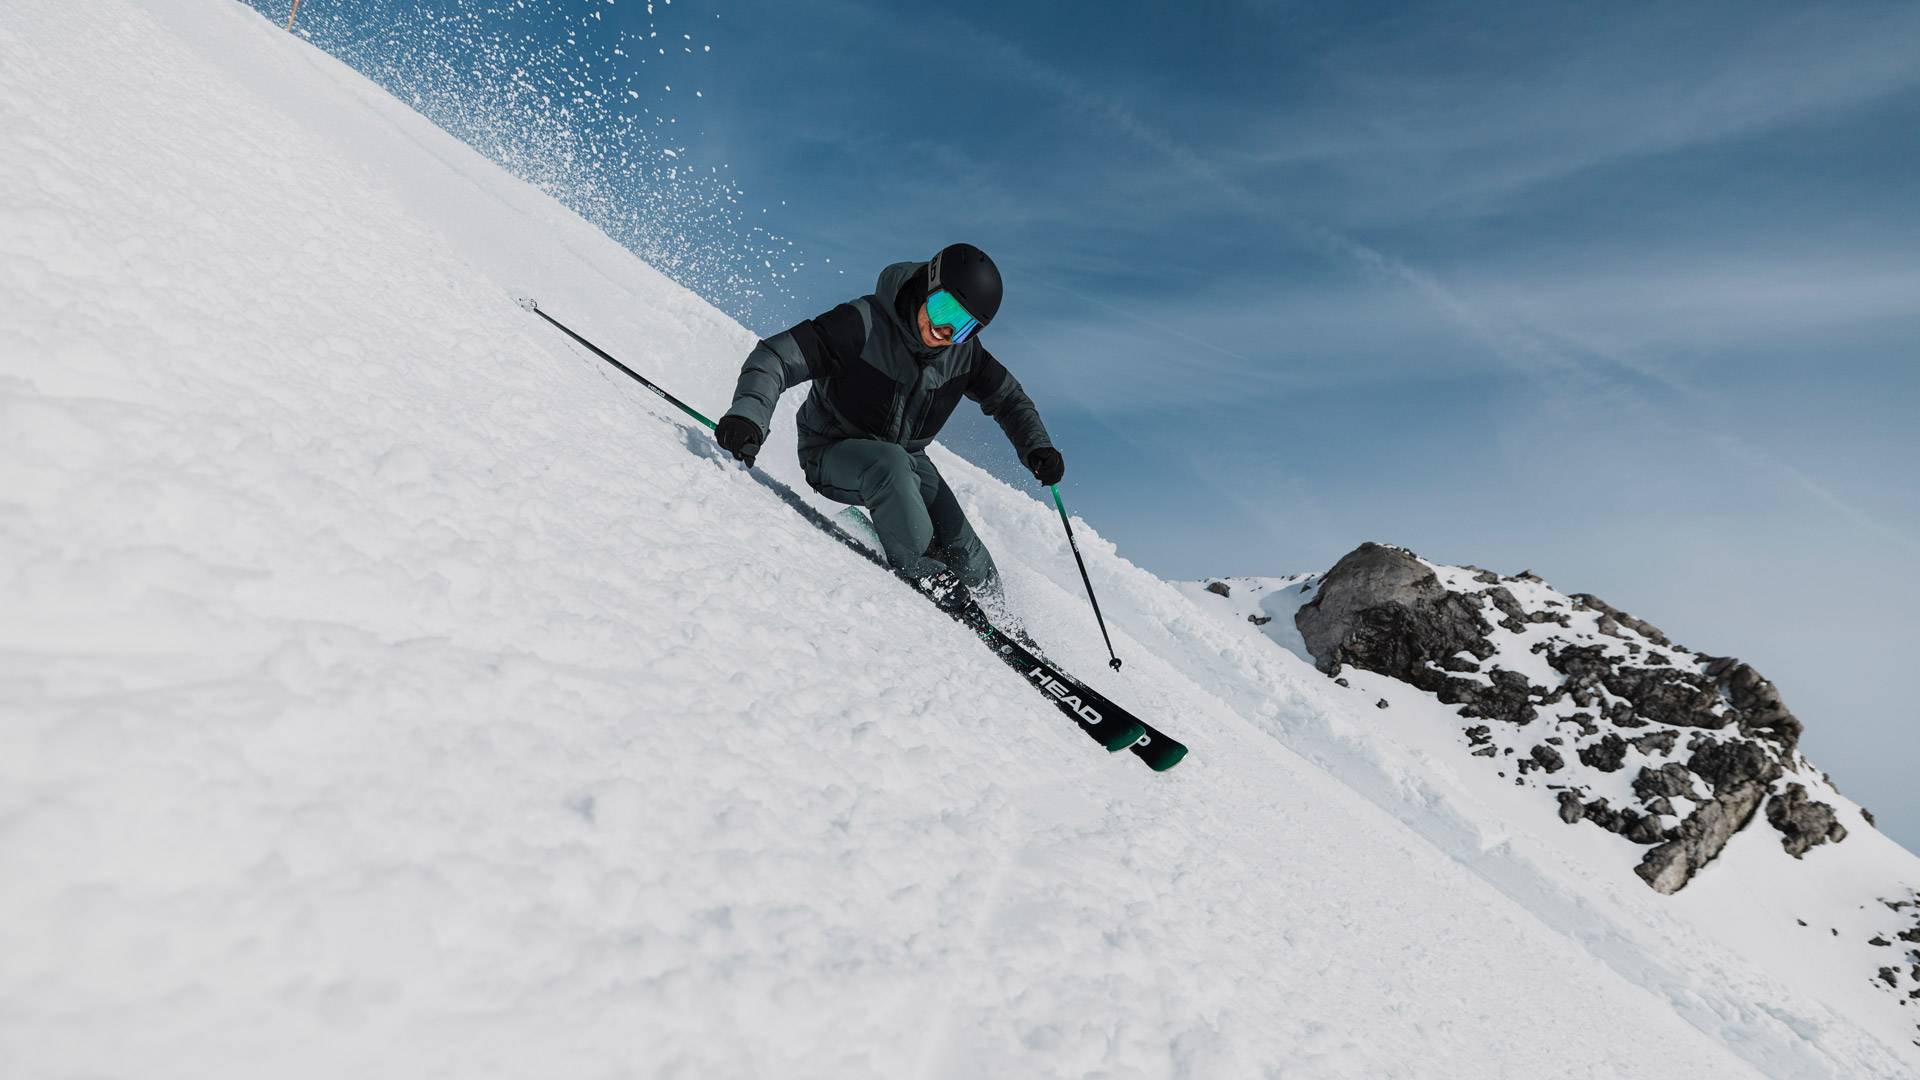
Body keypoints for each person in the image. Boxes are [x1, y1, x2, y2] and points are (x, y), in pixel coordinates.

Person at [714, 243, 1063, 610]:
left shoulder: (964, 356)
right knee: (891, 470)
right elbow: (777, 357)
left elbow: (1010, 400)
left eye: (963, 327)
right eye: (944, 310)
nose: (945, 330)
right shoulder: (862, 323)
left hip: (908, 458)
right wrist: (747, 415)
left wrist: (1037, 446)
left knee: (965, 549)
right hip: (831, 448)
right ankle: (928, 574)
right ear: (928, 284)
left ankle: (1000, 617)